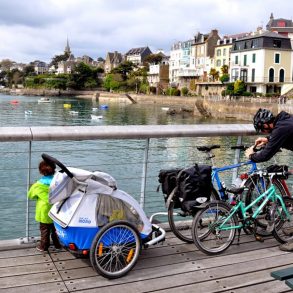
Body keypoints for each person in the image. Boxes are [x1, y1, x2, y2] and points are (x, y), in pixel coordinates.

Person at [245, 108, 293, 251]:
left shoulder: (281, 128)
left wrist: (251, 156)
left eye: (263, 130)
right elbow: (283, 135)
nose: (264, 132)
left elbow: (266, 155)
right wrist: (268, 139)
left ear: (266, 125)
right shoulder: (284, 121)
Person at [28, 159, 61, 252]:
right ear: (54, 169)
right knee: (55, 229)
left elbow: (30, 195)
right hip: (55, 209)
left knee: (44, 229)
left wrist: (32, 186)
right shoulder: (57, 182)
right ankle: (57, 245)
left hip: (43, 210)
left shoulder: (38, 185)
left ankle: (44, 246)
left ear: (41, 172)